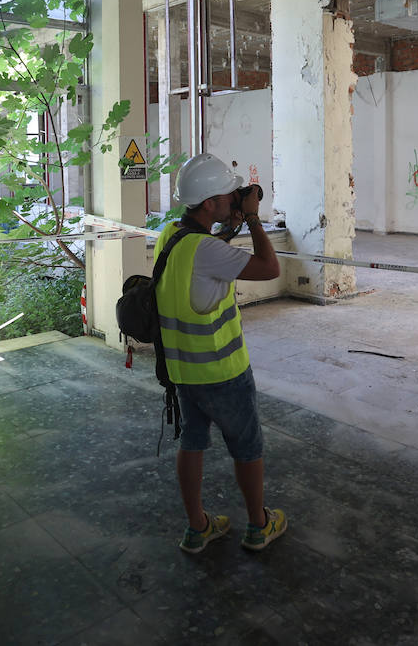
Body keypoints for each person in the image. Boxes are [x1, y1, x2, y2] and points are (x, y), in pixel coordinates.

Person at [155, 152, 287, 554]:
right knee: (247, 447)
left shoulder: (170, 236)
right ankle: (258, 525)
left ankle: (198, 528)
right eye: (229, 195)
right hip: (222, 371)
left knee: (192, 442)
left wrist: (228, 227)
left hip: (182, 371)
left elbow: (205, 255)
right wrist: (251, 219)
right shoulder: (209, 250)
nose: (235, 199)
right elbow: (269, 267)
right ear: (209, 202)